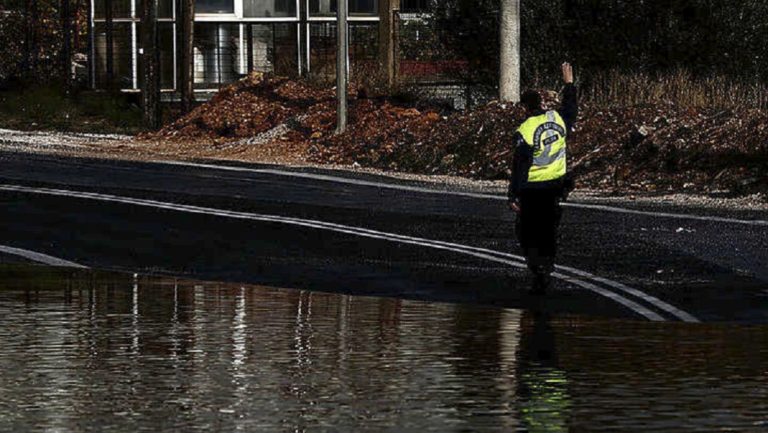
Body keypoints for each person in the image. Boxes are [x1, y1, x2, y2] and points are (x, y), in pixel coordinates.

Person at [508, 62, 578, 294]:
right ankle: (547, 265)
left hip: (532, 189)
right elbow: (571, 109)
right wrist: (569, 84)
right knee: (549, 229)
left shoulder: (526, 129)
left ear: (525, 108)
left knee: (527, 230)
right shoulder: (557, 119)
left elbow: (520, 165)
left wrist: (513, 194)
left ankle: (537, 267)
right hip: (556, 185)